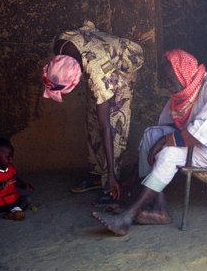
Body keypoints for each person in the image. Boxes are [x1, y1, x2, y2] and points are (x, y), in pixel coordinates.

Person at [92, 48, 207, 235]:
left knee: (170, 152)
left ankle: (130, 214)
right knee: (150, 135)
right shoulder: (184, 93)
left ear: (182, 72)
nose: (168, 86)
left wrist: (166, 141)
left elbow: (201, 134)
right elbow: (164, 129)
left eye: (171, 80)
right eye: (166, 81)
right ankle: (157, 207)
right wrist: (160, 142)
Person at [42, 21, 144, 201]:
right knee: (92, 120)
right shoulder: (60, 45)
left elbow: (106, 128)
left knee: (113, 125)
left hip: (121, 68)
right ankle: (98, 175)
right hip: (102, 55)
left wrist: (112, 175)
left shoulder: (98, 73)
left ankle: (112, 180)